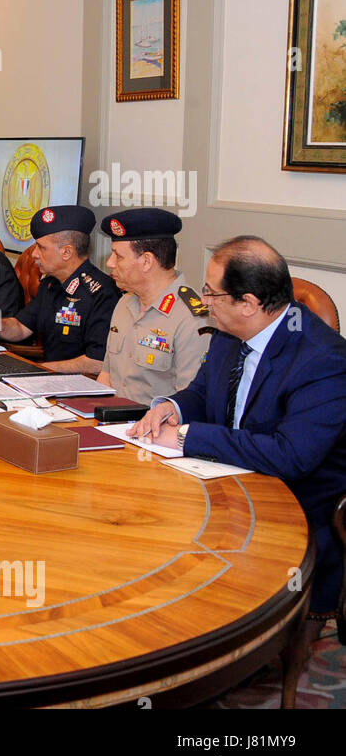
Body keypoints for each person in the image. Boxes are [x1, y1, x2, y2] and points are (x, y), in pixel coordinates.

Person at [130, 236, 346, 630]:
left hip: (292, 510)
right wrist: (171, 408)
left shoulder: (323, 360)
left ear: (248, 303)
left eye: (212, 293)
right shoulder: (231, 333)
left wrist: (185, 437)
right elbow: (202, 391)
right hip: (225, 483)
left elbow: (291, 456)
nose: (203, 301)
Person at [0, 205, 118, 374]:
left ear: (67, 252)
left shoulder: (102, 293)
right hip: (47, 380)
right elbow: (21, 327)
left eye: (41, 247)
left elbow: (97, 362)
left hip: (79, 388)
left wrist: (38, 370)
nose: (34, 254)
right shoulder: (50, 284)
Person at [95, 208, 211, 403]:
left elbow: (192, 401)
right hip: (111, 421)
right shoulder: (124, 302)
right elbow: (106, 376)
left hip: (155, 428)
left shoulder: (193, 317)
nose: (109, 263)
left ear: (147, 261)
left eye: (118, 256)